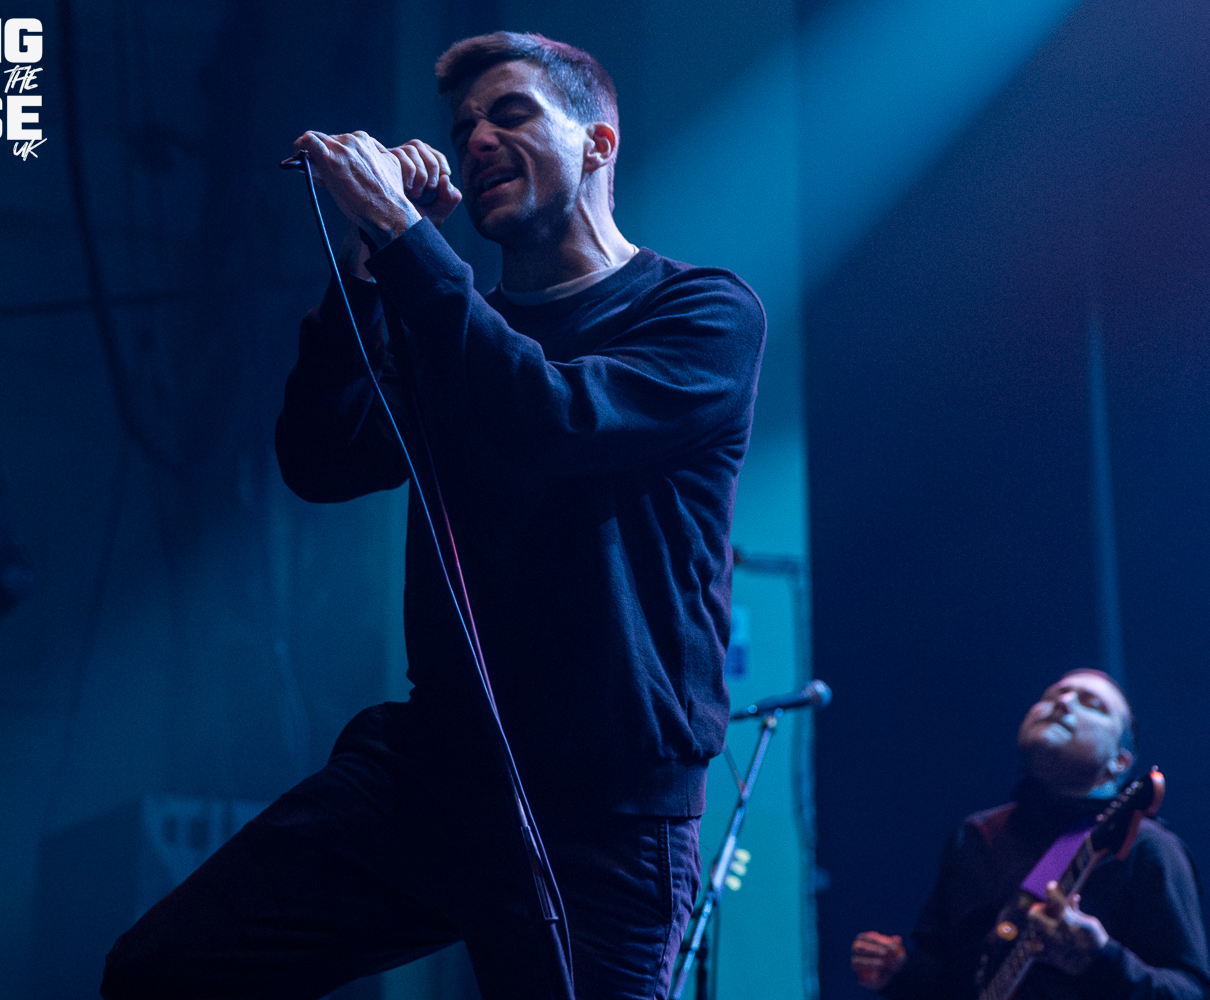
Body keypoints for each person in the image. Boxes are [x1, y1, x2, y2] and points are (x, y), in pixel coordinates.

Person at [100, 31, 765, 1000]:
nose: (477, 139)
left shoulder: (702, 314)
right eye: (464, 127)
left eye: (512, 114)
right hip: (437, 772)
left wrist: (405, 237)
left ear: (598, 143)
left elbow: (550, 416)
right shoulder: (449, 326)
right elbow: (321, 459)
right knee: (162, 969)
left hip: (607, 808)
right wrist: (371, 272)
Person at [851, 670, 1210, 1000]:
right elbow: (945, 982)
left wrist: (1102, 960)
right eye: (1052, 694)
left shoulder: (1146, 847)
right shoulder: (976, 836)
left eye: (1092, 704)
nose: (1063, 701)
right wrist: (898, 973)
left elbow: (1190, 993)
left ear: (1118, 762)